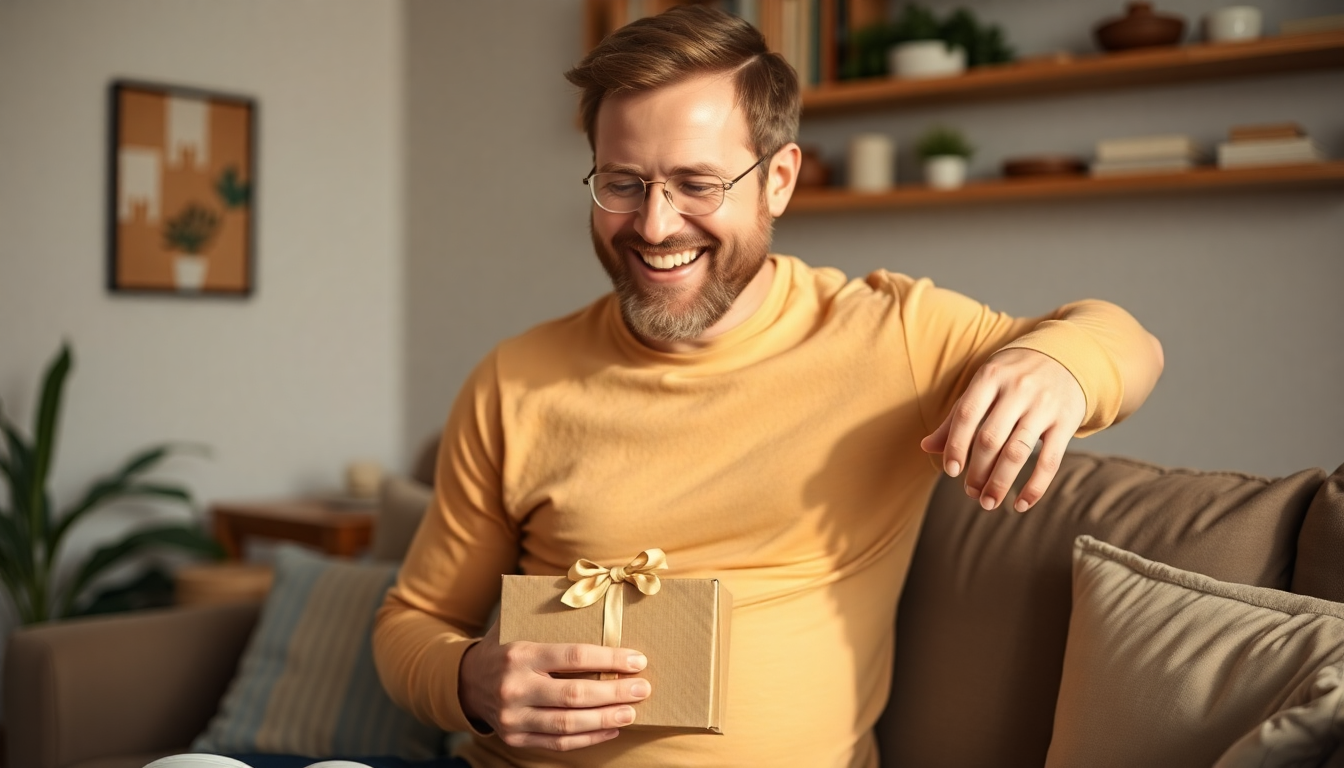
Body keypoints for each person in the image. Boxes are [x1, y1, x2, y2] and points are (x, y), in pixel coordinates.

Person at [372, 6, 1164, 768]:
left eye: (696, 183)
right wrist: (467, 679)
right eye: (622, 183)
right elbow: (415, 620)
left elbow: (1128, 343)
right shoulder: (515, 379)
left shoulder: (891, 337)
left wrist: (1057, 365)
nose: (653, 225)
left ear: (778, 180)